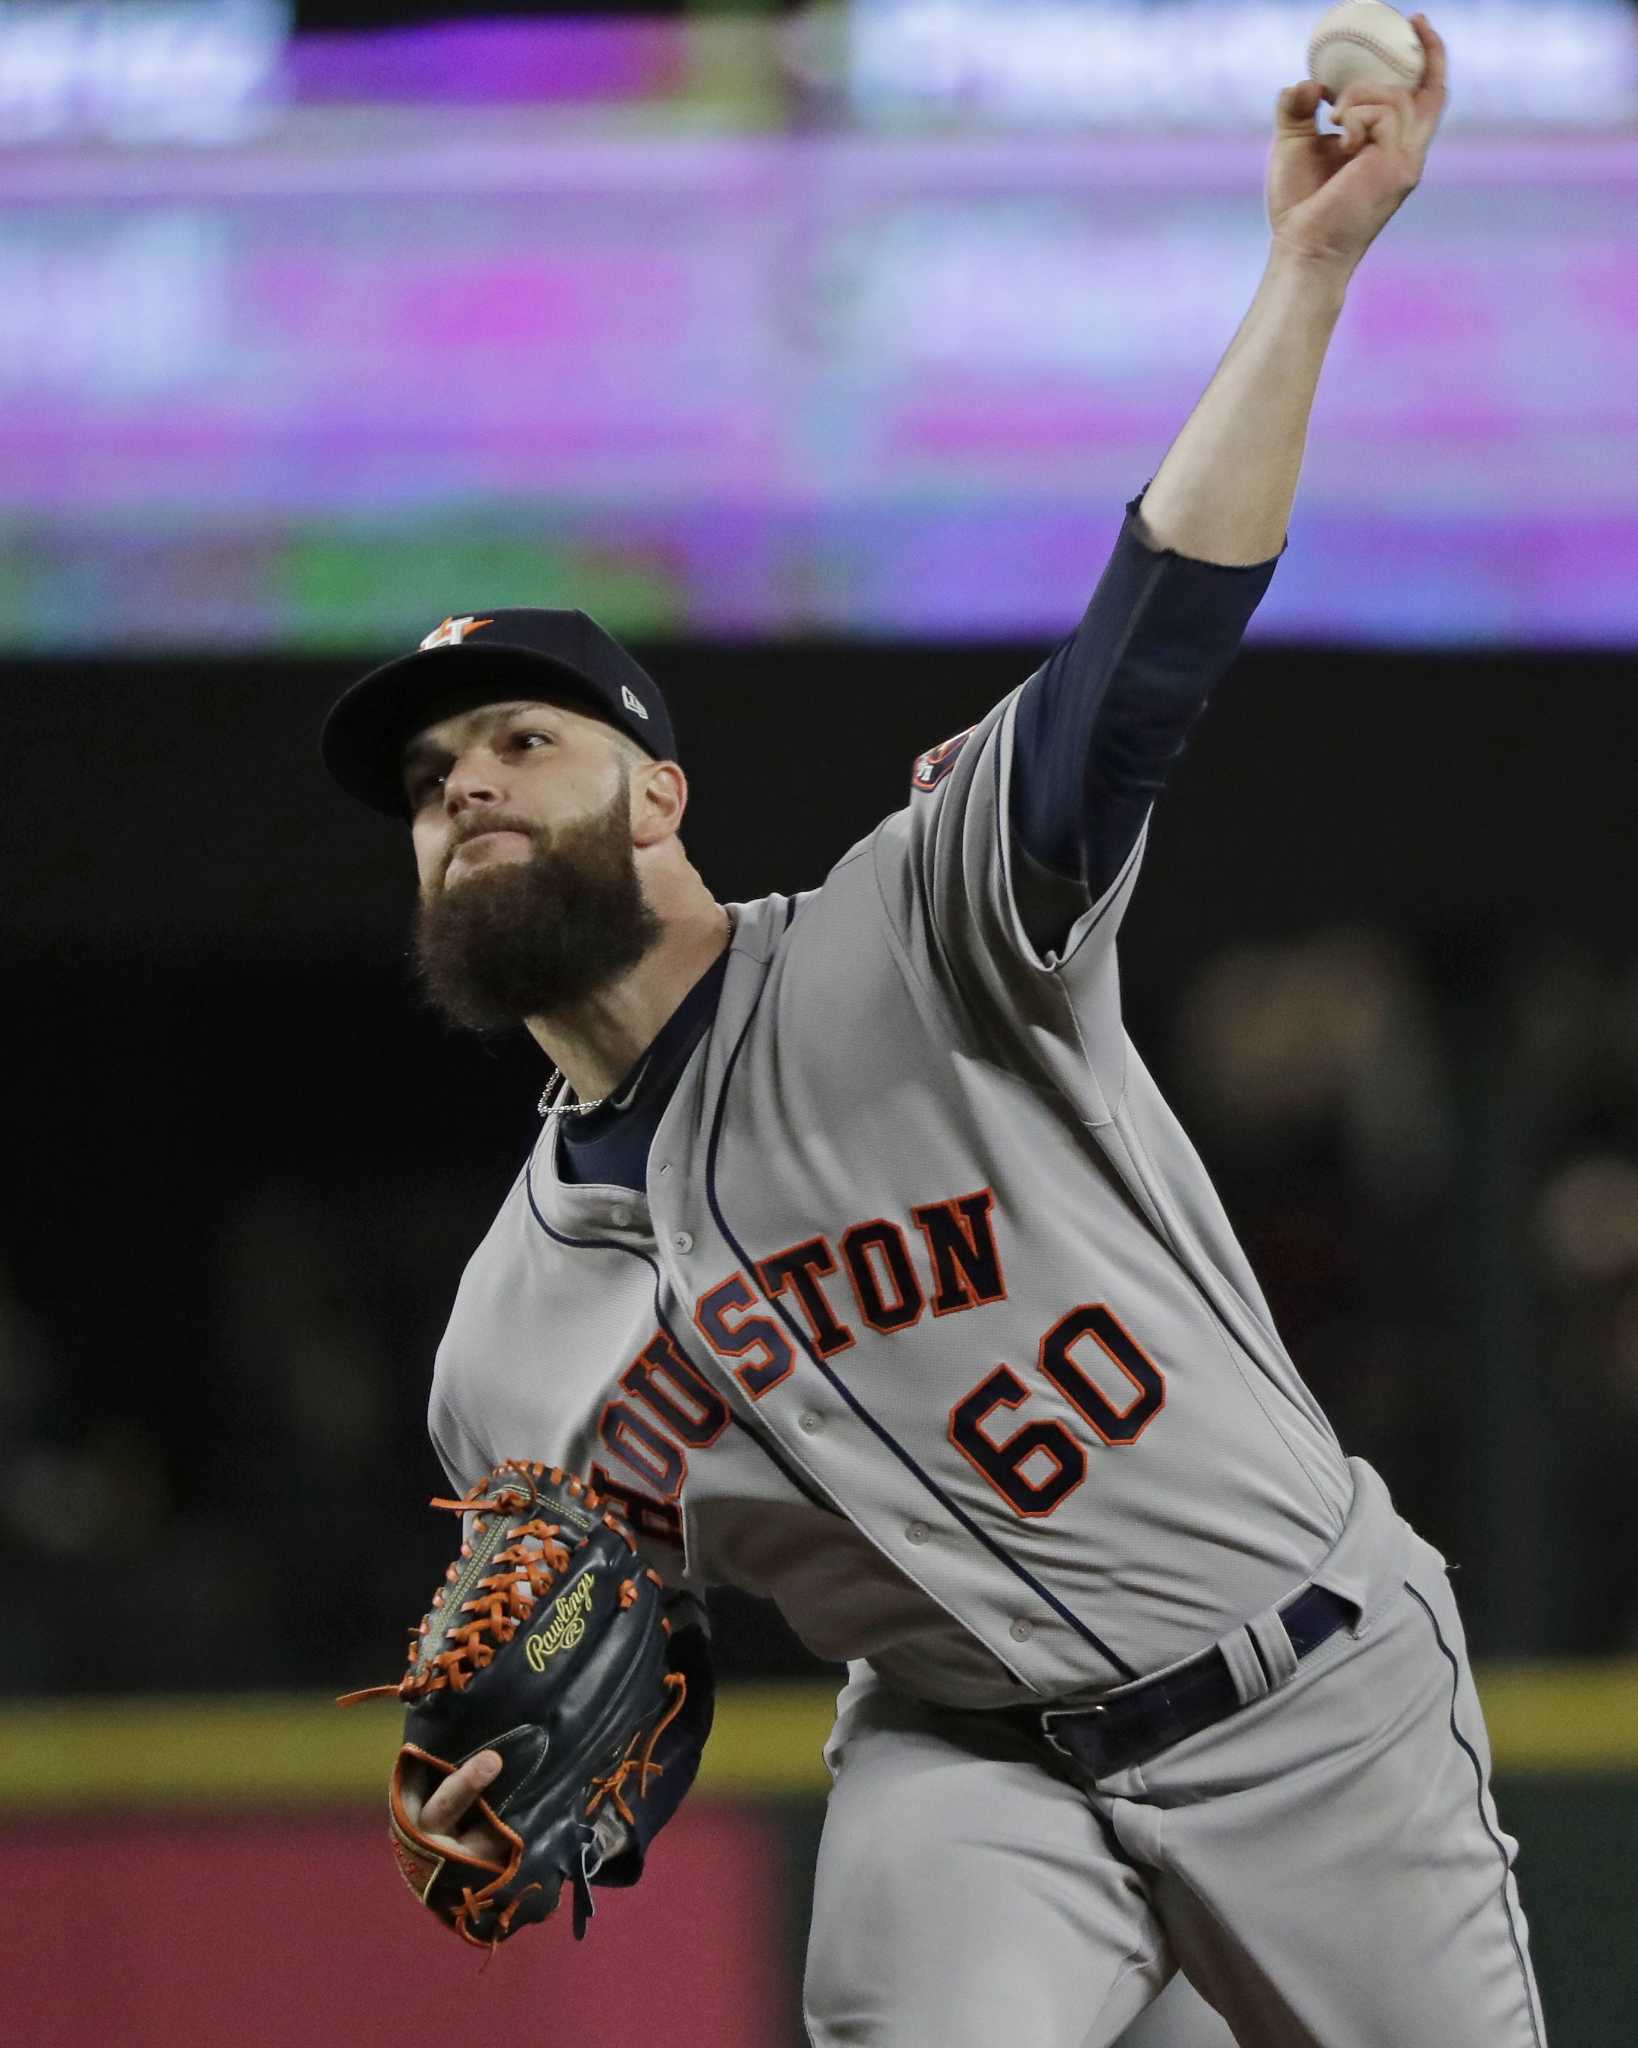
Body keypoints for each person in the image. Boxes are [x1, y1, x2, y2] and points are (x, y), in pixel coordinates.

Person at [323, 24, 1546, 2046]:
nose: (462, 786)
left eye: (522, 739)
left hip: (1308, 1688)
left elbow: (1144, 642)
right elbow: (643, 1647)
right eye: (431, 776)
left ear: (657, 796)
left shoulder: (919, 929)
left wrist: (1311, 272)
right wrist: (505, 1768)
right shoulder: (499, 1351)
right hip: (970, 1764)